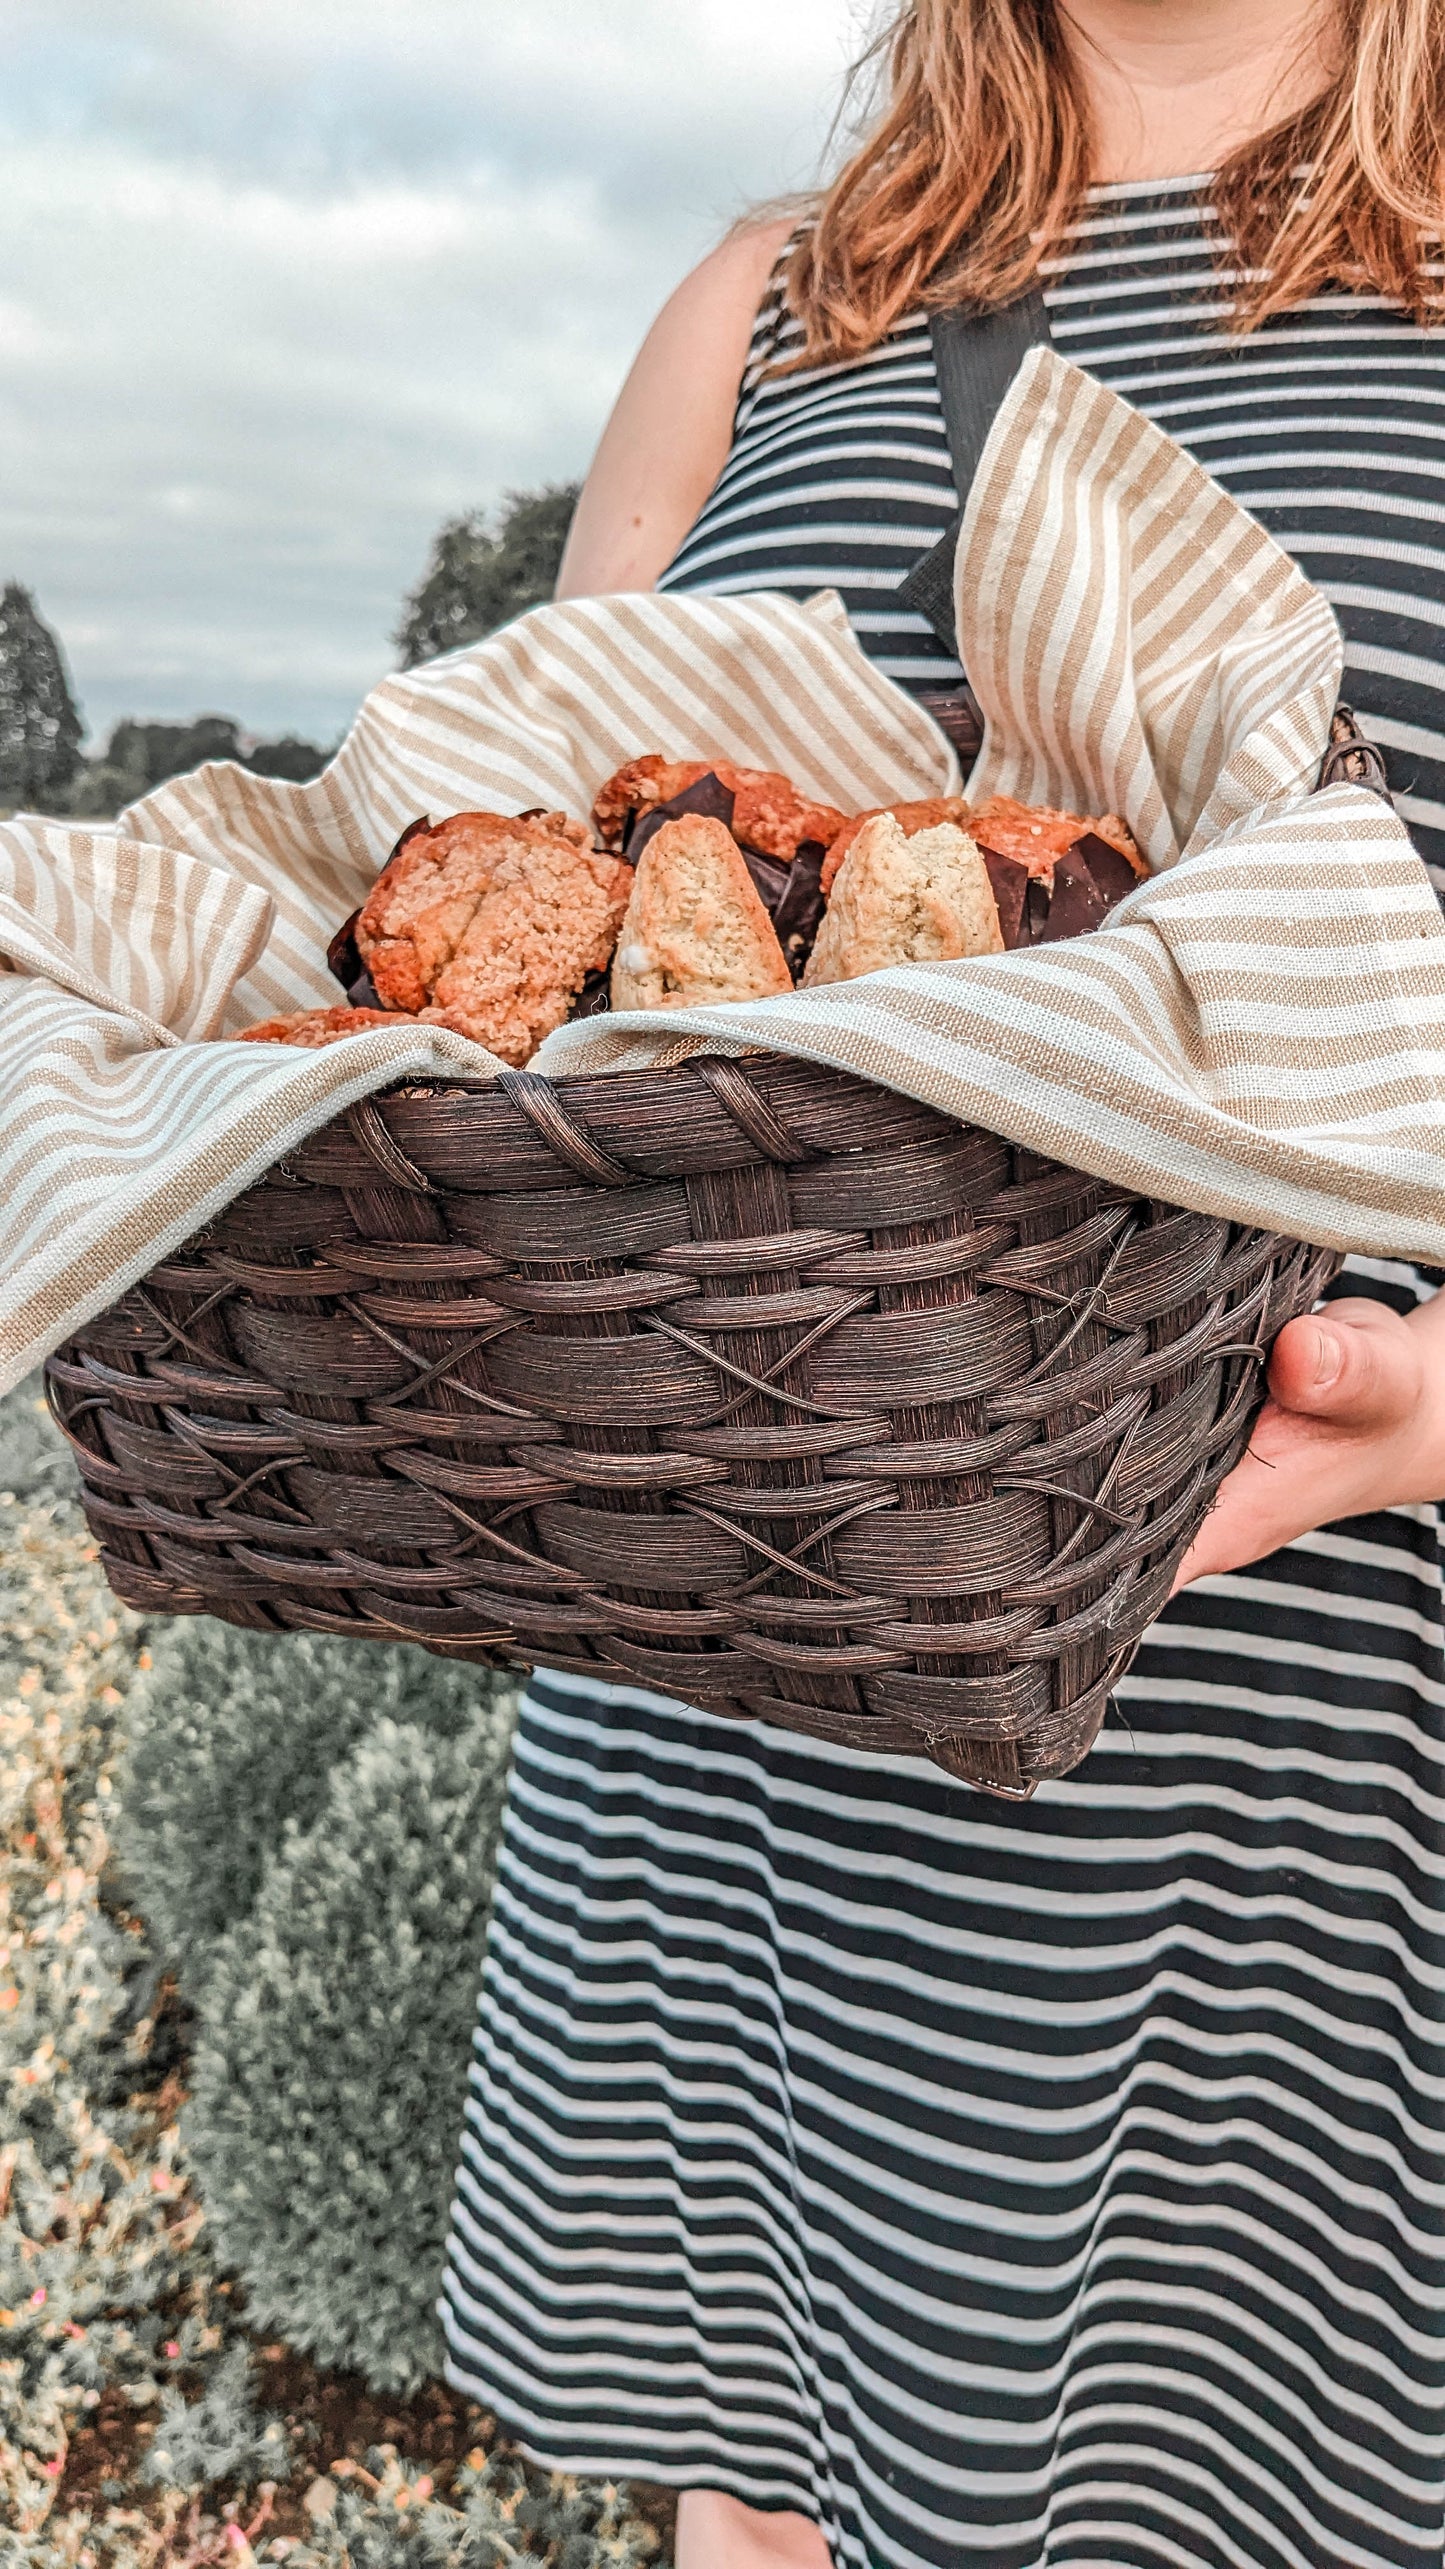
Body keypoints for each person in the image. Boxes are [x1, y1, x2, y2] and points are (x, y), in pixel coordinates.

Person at [440, 2, 1445, 2561]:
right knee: (765, 2499)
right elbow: (543, 996)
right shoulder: (764, 305)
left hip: (1288, 1769)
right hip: (733, 1736)